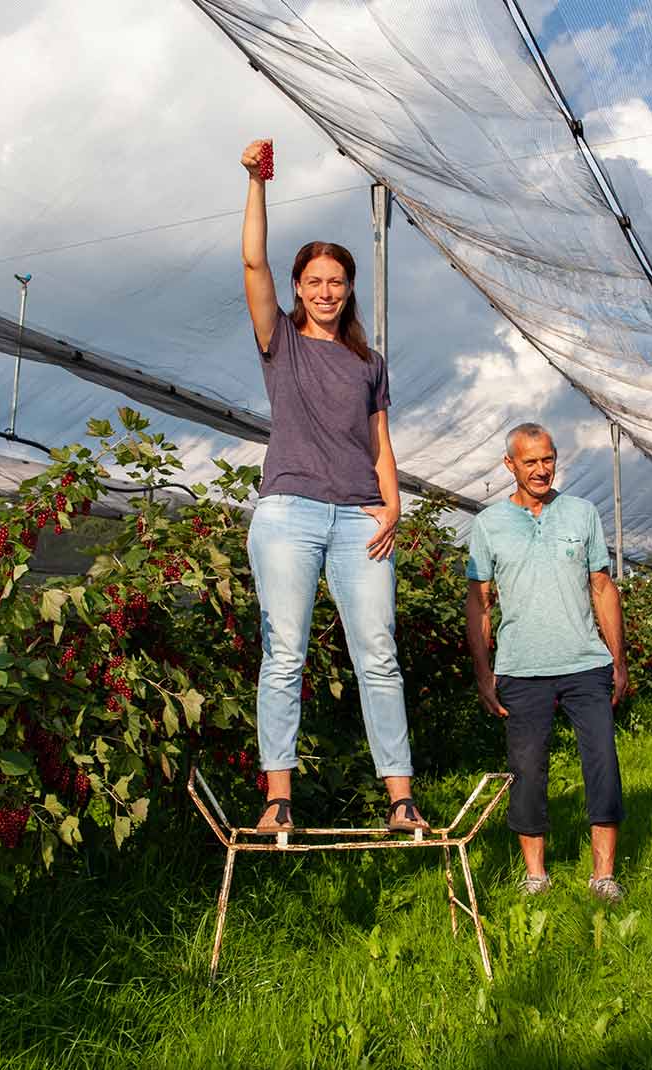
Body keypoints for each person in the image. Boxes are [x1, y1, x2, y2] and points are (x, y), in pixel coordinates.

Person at [238, 138, 428, 836]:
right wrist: (257, 182)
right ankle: (279, 797)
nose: (325, 291)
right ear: (297, 289)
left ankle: (400, 799)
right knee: (283, 651)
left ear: (348, 290)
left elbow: (379, 442)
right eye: (314, 281)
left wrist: (394, 502)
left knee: (379, 654)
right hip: (288, 513)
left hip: (359, 522)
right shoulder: (279, 342)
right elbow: (253, 258)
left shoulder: (368, 362)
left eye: (336, 282)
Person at [464, 423, 630, 902]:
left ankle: (604, 876)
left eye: (548, 459)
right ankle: (536, 875)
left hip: (585, 663)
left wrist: (618, 661)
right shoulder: (489, 524)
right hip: (520, 667)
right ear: (509, 465)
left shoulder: (581, 514)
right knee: (528, 768)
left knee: (602, 761)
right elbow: (478, 602)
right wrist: (484, 672)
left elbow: (602, 587)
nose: (541, 469)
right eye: (530, 461)